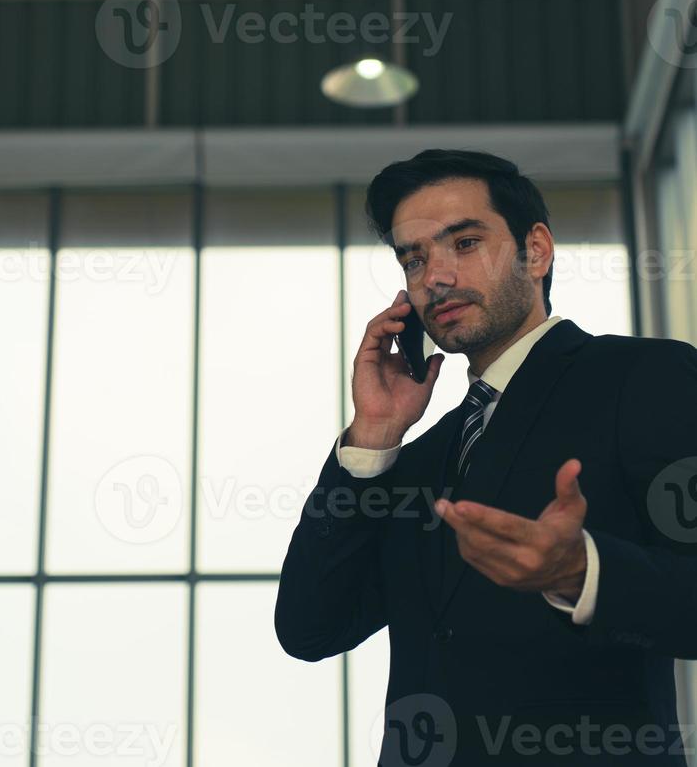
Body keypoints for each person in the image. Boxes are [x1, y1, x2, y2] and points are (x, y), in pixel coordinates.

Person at [274, 149, 697, 766]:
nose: (434, 277)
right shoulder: (417, 457)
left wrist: (582, 572)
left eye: (464, 243)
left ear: (537, 251)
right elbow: (311, 628)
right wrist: (372, 437)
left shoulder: (647, 376)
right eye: (413, 259)